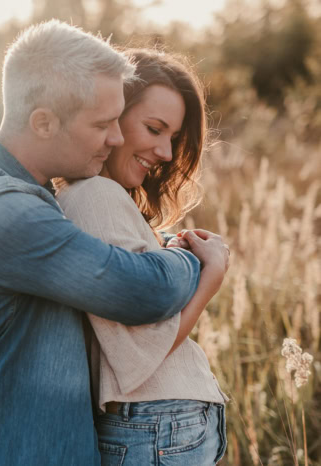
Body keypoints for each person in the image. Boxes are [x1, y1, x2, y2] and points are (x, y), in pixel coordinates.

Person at [0, 21, 228, 465]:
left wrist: (159, 243)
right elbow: (144, 290)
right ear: (43, 122)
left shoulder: (21, 193)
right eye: (104, 123)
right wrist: (194, 257)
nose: (117, 137)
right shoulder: (3, 211)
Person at [55, 49, 230, 465]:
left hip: (159, 425)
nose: (167, 153)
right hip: (158, 423)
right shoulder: (95, 195)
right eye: (155, 129)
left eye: (173, 137)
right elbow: (140, 353)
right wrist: (212, 275)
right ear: (112, 116)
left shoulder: (107, 199)